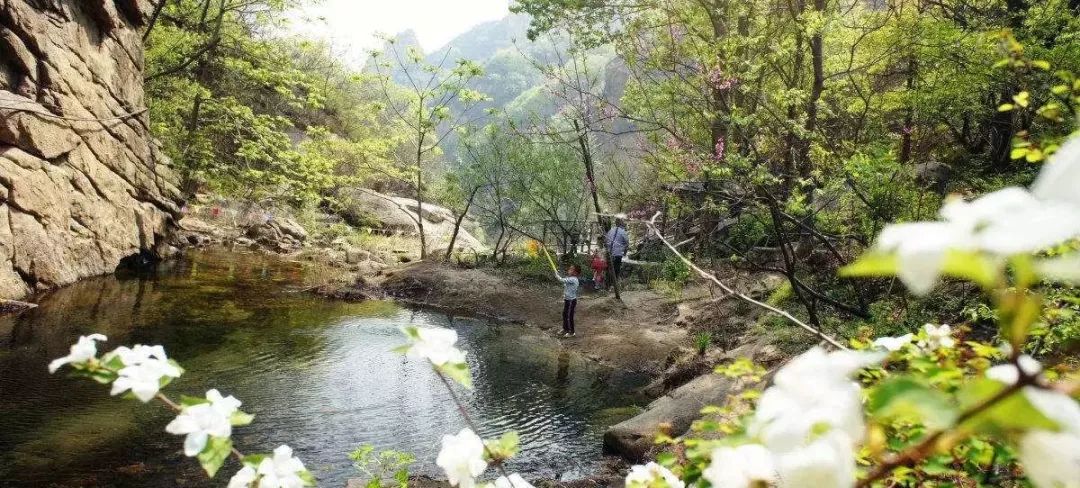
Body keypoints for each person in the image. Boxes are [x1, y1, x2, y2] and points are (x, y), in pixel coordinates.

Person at [554, 264, 581, 337]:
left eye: (571, 269)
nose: (569, 270)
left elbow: (561, 280)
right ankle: (565, 329)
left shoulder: (573, 279)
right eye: (569, 268)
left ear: (575, 273)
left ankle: (571, 332)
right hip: (568, 300)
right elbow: (565, 283)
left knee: (569, 316)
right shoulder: (571, 279)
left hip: (571, 301)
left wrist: (556, 275)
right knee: (565, 314)